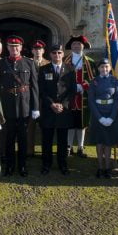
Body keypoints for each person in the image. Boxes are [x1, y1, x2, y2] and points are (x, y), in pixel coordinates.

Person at [0, 35, 39, 177]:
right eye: (11, 46)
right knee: (9, 138)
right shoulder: (2, 64)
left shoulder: (29, 63)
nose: (14, 49)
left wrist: (35, 107)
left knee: (23, 139)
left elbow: (34, 87)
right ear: (7, 48)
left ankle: (22, 166)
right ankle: (9, 166)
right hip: (8, 106)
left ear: (21, 47)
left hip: (24, 106)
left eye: (17, 46)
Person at [38, 44, 75, 175]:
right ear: (50, 54)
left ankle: (63, 164)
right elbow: (41, 90)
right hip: (48, 110)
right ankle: (46, 164)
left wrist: (62, 104)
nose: (57, 55)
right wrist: (51, 104)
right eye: (54, 53)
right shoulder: (43, 69)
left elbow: (72, 90)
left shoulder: (70, 69)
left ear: (63, 54)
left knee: (62, 140)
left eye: (59, 52)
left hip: (63, 111)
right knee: (46, 140)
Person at [88, 58, 118, 178]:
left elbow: (117, 100)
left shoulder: (114, 81)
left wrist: (112, 117)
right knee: (99, 142)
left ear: (110, 68)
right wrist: (99, 118)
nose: (104, 69)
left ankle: (108, 168)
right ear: (98, 69)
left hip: (110, 113)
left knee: (108, 142)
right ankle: (100, 167)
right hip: (98, 113)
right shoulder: (94, 82)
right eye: (102, 67)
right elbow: (91, 101)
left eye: (107, 67)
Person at [63, 35, 96, 158]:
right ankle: (68, 147)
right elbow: (62, 79)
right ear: (71, 47)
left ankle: (80, 148)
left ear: (83, 46)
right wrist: (73, 87)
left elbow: (93, 79)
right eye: (74, 44)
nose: (76, 46)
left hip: (84, 97)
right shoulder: (65, 60)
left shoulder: (89, 62)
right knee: (70, 123)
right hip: (69, 97)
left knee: (82, 124)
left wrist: (83, 86)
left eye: (79, 44)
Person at [27, 39, 49, 157]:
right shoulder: (28, 63)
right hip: (31, 98)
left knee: (45, 126)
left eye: (40, 49)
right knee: (30, 125)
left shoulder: (48, 64)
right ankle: (30, 150)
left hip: (44, 98)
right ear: (32, 51)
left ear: (43, 51)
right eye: (35, 49)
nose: (37, 51)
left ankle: (45, 150)